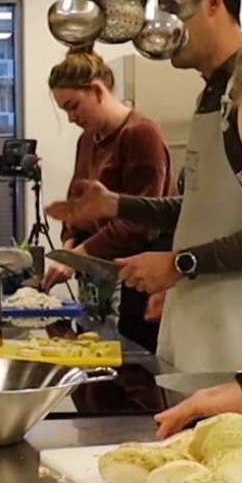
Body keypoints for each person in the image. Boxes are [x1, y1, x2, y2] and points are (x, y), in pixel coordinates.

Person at [47, 0, 242, 374]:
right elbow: (201, 212)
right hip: (203, 326)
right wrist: (117, 205)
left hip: (236, 337)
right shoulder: (212, 93)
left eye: (170, 13)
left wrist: (179, 264)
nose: (156, 31)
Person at [41, 50, 174, 352]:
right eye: (65, 111)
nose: (72, 118)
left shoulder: (141, 134)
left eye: (74, 107)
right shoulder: (88, 140)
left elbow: (139, 223)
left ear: (98, 90)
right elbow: (76, 206)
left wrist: (81, 257)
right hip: (97, 281)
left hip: (137, 279)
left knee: (131, 370)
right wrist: (69, 246)